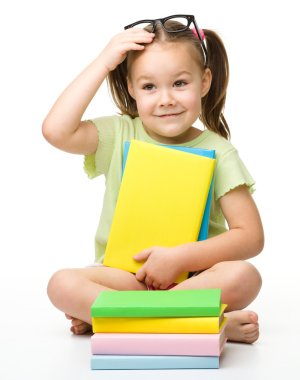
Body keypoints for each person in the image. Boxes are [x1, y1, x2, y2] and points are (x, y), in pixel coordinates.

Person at [43, 15, 264, 344]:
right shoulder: (120, 134)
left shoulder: (220, 152)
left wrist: (179, 258)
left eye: (179, 83)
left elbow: (251, 237)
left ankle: (118, 317)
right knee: (59, 284)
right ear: (131, 88)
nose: (166, 99)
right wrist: (104, 61)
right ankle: (207, 324)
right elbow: (55, 131)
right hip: (124, 277)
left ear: (204, 82)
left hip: (194, 281)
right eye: (149, 86)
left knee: (246, 276)